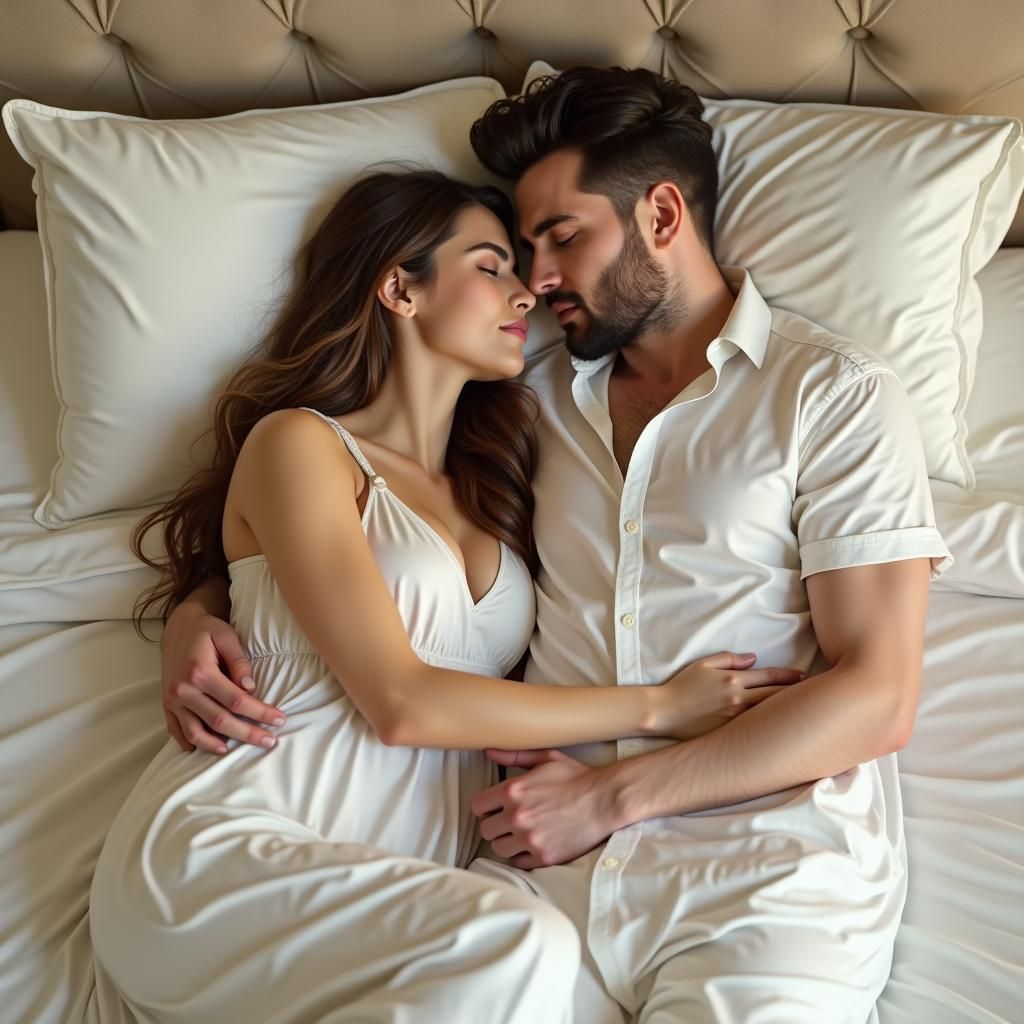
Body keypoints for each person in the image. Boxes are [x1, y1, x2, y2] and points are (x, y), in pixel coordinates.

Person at [159, 67, 952, 1022]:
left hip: (762, 877)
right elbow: (349, 524)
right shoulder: (522, 403)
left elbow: (877, 698)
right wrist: (196, 611)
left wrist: (612, 797)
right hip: (536, 879)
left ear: (662, 214)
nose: (535, 280)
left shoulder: (831, 396)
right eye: (517, 253)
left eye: (562, 239)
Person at [89, 168, 802, 1024]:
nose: (528, 296)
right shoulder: (301, 446)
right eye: (492, 265)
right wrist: (657, 708)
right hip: (230, 851)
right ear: (400, 287)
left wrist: (195, 608)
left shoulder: (501, 484)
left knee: (530, 953)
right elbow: (400, 702)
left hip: (402, 893)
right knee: (523, 941)